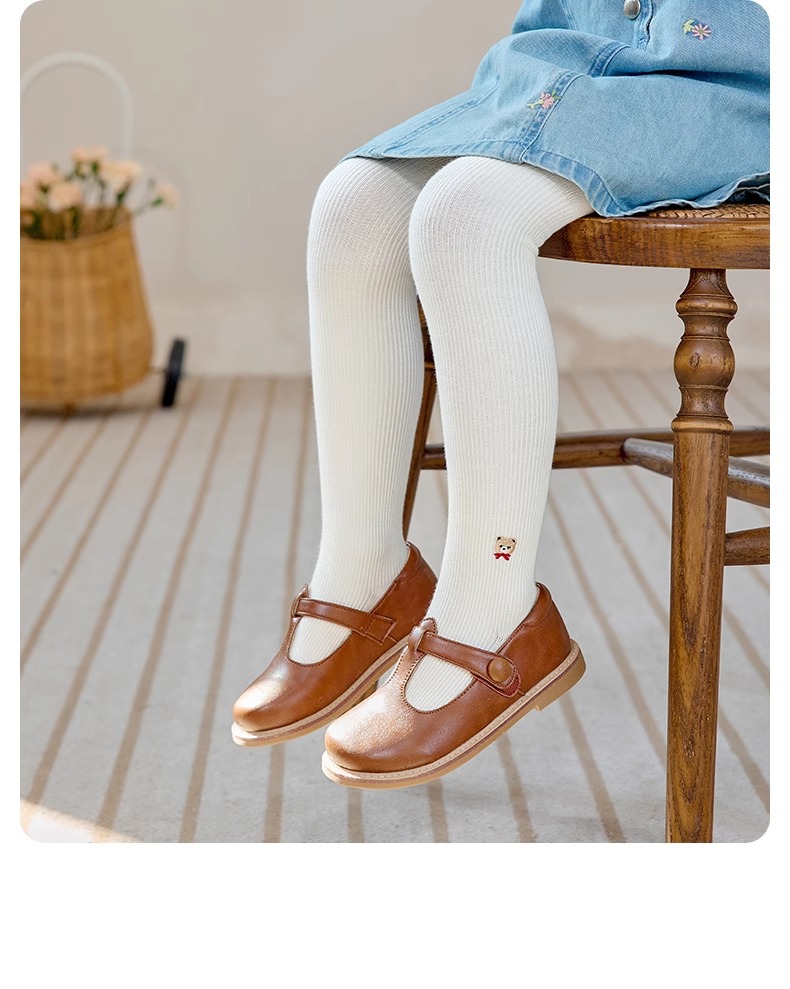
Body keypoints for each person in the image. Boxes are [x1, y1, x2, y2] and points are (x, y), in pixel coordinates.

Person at [232, 0, 769, 788]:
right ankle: (365, 569)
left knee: (467, 214)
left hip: (733, 80)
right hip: (578, 48)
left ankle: (494, 607)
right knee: (353, 204)